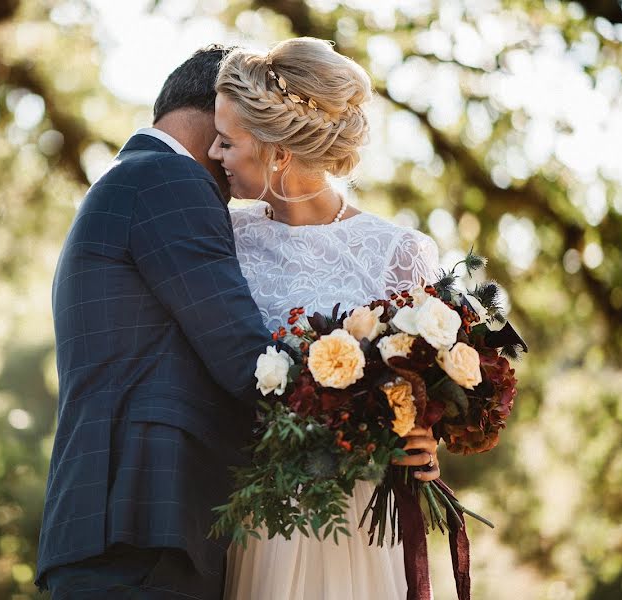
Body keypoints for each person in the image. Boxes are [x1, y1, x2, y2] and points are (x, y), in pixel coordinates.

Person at [35, 45, 278, 599]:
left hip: (114, 530)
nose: (236, 155)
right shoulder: (171, 181)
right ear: (215, 113)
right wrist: (367, 401)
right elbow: (246, 360)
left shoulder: (127, 180)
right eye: (240, 132)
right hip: (143, 526)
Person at [208, 38, 443, 599]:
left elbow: (415, 391)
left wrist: (426, 434)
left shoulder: (399, 252)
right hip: (254, 510)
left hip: (357, 518)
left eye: (226, 141)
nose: (214, 156)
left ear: (277, 153)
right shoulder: (223, 239)